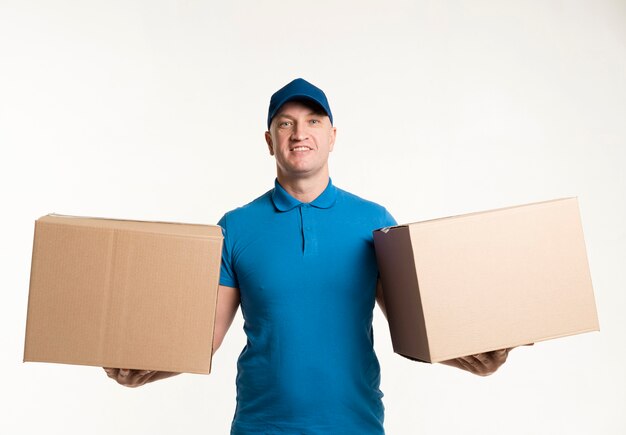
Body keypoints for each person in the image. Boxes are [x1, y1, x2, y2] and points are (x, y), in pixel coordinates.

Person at [105, 78, 512, 434]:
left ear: (333, 136)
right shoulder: (236, 226)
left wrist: (472, 359)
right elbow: (203, 338)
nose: (300, 132)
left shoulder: (375, 223)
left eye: (313, 121)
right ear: (270, 141)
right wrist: (142, 372)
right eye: (286, 123)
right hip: (260, 428)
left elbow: (413, 328)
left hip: (355, 427)